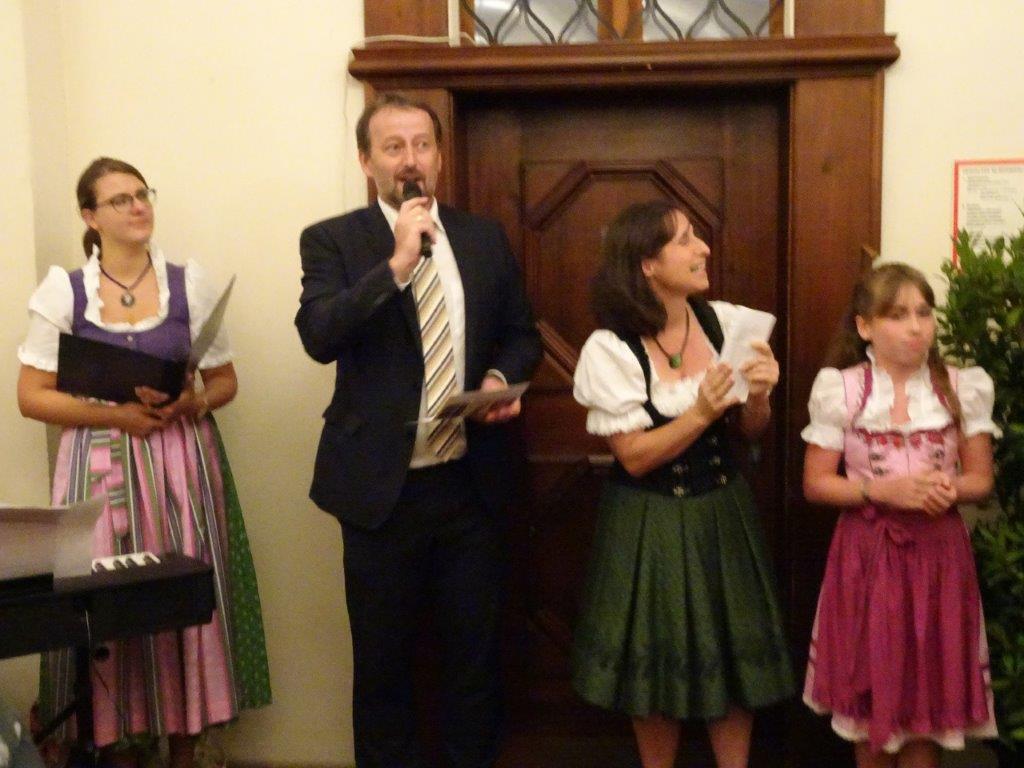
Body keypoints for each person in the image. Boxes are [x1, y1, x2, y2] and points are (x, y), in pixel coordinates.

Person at [295, 93, 542, 768]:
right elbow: (319, 335)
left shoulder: (482, 236)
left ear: (440, 157)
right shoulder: (333, 240)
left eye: (422, 145)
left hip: (471, 485)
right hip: (381, 493)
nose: (411, 160)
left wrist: (499, 378)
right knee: (383, 667)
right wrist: (398, 264)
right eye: (394, 147)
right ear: (366, 161)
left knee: (474, 659)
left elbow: (521, 334)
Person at [17, 157, 271, 768]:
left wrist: (191, 402)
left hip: (179, 460)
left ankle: (184, 751)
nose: (138, 207)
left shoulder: (188, 284)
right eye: (120, 199)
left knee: (179, 596)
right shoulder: (65, 291)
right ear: (90, 216)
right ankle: (119, 751)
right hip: (98, 465)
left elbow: (225, 380)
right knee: (107, 601)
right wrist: (113, 415)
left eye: (142, 194)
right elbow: (31, 396)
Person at [571, 200, 794, 768]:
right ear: (648, 265)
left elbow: (749, 430)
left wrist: (760, 397)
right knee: (655, 665)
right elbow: (634, 457)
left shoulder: (726, 323)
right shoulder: (610, 349)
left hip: (723, 511)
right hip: (648, 521)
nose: (703, 249)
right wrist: (699, 413)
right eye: (686, 241)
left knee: (733, 657)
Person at [801, 262, 998, 768]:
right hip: (867, 557)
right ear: (865, 326)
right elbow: (816, 482)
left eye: (924, 313)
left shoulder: (961, 386)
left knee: (925, 702)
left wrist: (944, 489)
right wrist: (883, 490)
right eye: (898, 315)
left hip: (938, 559)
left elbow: (981, 480)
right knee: (869, 700)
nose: (916, 326)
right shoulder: (842, 388)